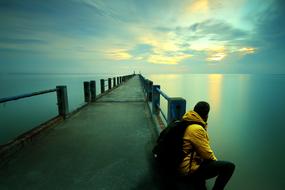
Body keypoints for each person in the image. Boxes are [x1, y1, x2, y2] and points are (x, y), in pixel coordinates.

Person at [179, 101, 235, 190]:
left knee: (204, 162)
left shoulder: (187, 121)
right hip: (187, 170)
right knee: (228, 167)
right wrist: (216, 163)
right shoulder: (196, 129)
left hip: (181, 163)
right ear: (206, 115)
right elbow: (207, 155)